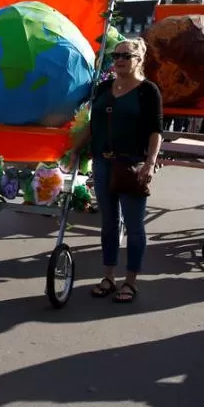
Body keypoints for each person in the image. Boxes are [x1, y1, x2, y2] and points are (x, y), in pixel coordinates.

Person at [71, 38, 163, 303]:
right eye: (116, 56)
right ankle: (109, 276)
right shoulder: (103, 89)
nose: (120, 60)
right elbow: (93, 125)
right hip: (103, 162)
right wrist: (75, 150)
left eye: (126, 56)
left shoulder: (148, 91)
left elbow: (156, 131)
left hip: (131, 163)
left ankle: (131, 281)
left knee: (134, 226)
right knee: (108, 223)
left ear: (139, 59)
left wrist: (150, 163)